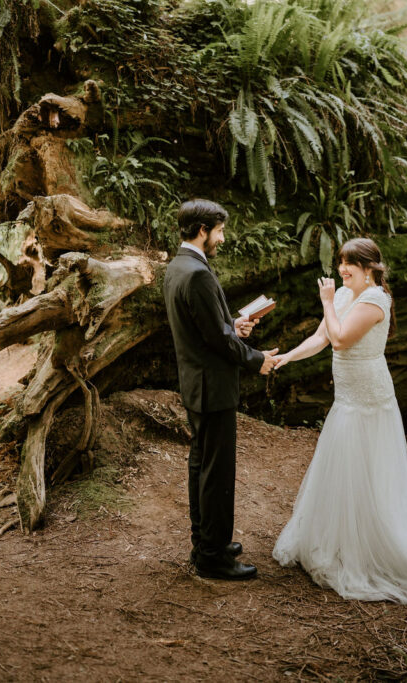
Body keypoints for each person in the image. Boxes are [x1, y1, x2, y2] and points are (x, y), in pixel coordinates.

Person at [270, 237, 407, 603]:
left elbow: (341, 339)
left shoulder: (375, 300)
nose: (343, 269)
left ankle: (369, 546)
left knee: (366, 468)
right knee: (342, 466)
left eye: (351, 264)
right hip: (346, 397)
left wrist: (326, 302)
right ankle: (339, 538)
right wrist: (289, 357)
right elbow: (322, 338)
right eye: (341, 262)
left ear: (370, 269)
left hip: (368, 400)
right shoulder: (344, 295)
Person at [163, 199, 278, 581]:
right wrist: (255, 358)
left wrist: (232, 324)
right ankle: (212, 558)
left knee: (202, 466)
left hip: (196, 384)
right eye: (220, 231)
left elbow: (208, 327)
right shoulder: (197, 274)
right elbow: (215, 340)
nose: (222, 238)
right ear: (202, 230)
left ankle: (207, 543)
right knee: (216, 473)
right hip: (212, 387)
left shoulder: (178, 266)